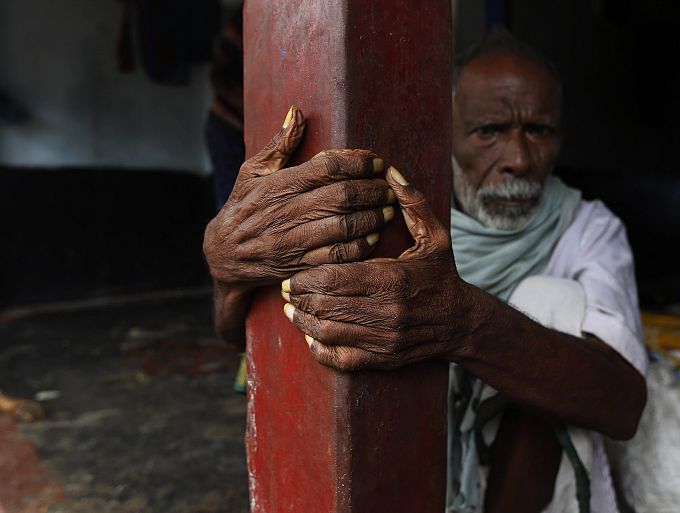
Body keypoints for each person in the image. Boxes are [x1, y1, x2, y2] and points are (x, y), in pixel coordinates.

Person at [203, 30, 646, 513]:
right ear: (448, 134)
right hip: (412, 475)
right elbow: (240, 343)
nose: (518, 160)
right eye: (489, 131)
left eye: (539, 131)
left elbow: (623, 404)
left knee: (552, 299)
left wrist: (466, 324)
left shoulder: (587, 229)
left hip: (532, 490)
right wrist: (229, 274)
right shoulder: (403, 221)